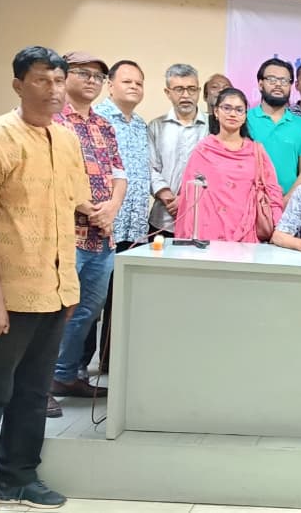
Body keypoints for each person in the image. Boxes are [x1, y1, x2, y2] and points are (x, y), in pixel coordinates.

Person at [0, 46, 92, 511]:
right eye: (41, 80)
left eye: (58, 80)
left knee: (34, 393)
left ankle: (18, 477)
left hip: (53, 291)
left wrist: (68, 287)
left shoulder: (67, 140)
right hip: (6, 294)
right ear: (18, 85)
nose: (54, 90)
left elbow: (68, 215)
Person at [51, 51, 124, 400]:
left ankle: (65, 376)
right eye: (83, 73)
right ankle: (39, 385)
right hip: (65, 234)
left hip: (102, 236)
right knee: (55, 311)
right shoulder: (51, 121)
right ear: (64, 76)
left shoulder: (104, 125)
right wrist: (87, 208)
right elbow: (53, 176)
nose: (92, 80)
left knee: (88, 311)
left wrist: (111, 208)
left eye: (98, 76)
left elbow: (120, 173)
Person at [86, 59, 149, 376]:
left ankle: (111, 363)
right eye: (127, 81)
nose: (134, 87)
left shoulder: (140, 124)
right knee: (89, 303)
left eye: (139, 83)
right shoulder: (95, 119)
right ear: (110, 85)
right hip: (101, 224)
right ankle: (73, 369)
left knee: (119, 300)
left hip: (133, 228)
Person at [176, 88, 284, 243]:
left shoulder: (256, 151)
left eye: (239, 110)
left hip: (245, 233)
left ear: (245, 115)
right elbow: (189, 198)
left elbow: (272, 191)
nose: (232, 114)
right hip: (208, 234)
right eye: (227, 108)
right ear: (216, 112)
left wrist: (279, 229)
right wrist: (187, 238)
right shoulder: (204, 150)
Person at [149, 63, 208, 236]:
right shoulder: (156, 126)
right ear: (168, 92)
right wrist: (167, 196)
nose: (186, 95)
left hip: (203, 219)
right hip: (164, 218)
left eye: (191, 89)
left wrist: (187, 198)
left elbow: (217, 171)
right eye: (179, 89)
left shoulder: (213, 126)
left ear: (199, 91)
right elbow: (149, 168)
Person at [247, 58, 301, 200]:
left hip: (288, 204)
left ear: (290, 86)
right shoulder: (245, 119)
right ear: (260, 84)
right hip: (248, 201)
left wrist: (285, 203)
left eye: (284, 81)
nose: (278, 84)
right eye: (272, 79)